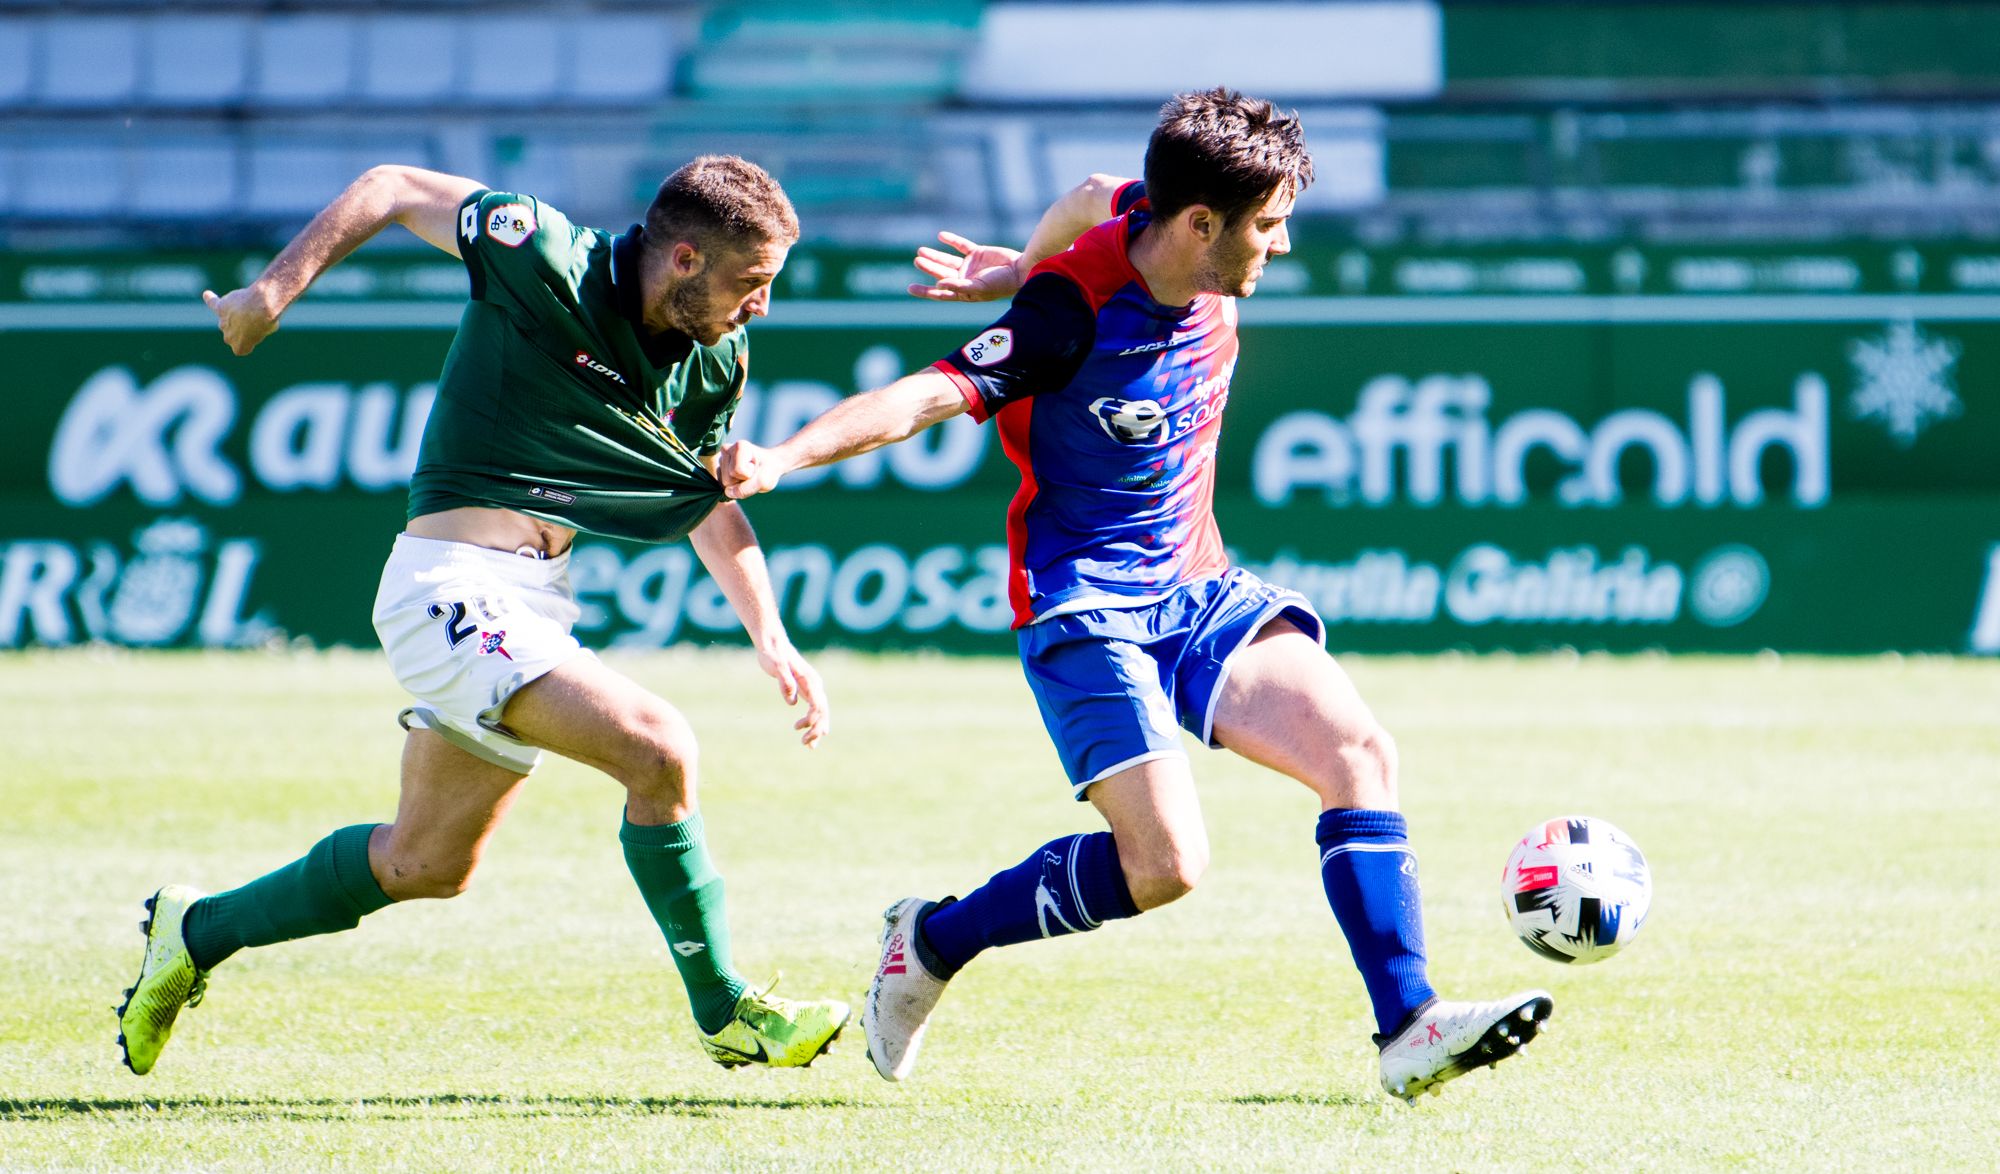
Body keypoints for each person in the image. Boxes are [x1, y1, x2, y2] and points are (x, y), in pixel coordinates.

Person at [718, 89, 1552, 1103]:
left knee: (1359, 750)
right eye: (1269, 224)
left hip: (1197, 586)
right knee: (1163, 867)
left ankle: (1409, 1022)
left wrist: (1013, 254)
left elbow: (1081, 193)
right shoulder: (1067, 312)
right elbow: (923, 397)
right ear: (1199, 223)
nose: (1279, 247)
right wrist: (786, 454)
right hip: (1081, 606)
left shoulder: (1156, 216)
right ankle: (931, 939)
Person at [116, 157, 850, 1076]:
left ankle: (195, 930)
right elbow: (389, 187)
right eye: (753, 283)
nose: (763, 308)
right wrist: (271, 289)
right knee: (658, 747)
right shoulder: (544, 253)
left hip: (534, 602)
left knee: (424, 865)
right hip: (447, 588)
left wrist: (771, 637)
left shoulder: (715, 360)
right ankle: (725, 1009)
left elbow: (700, 498)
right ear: (687, 259)